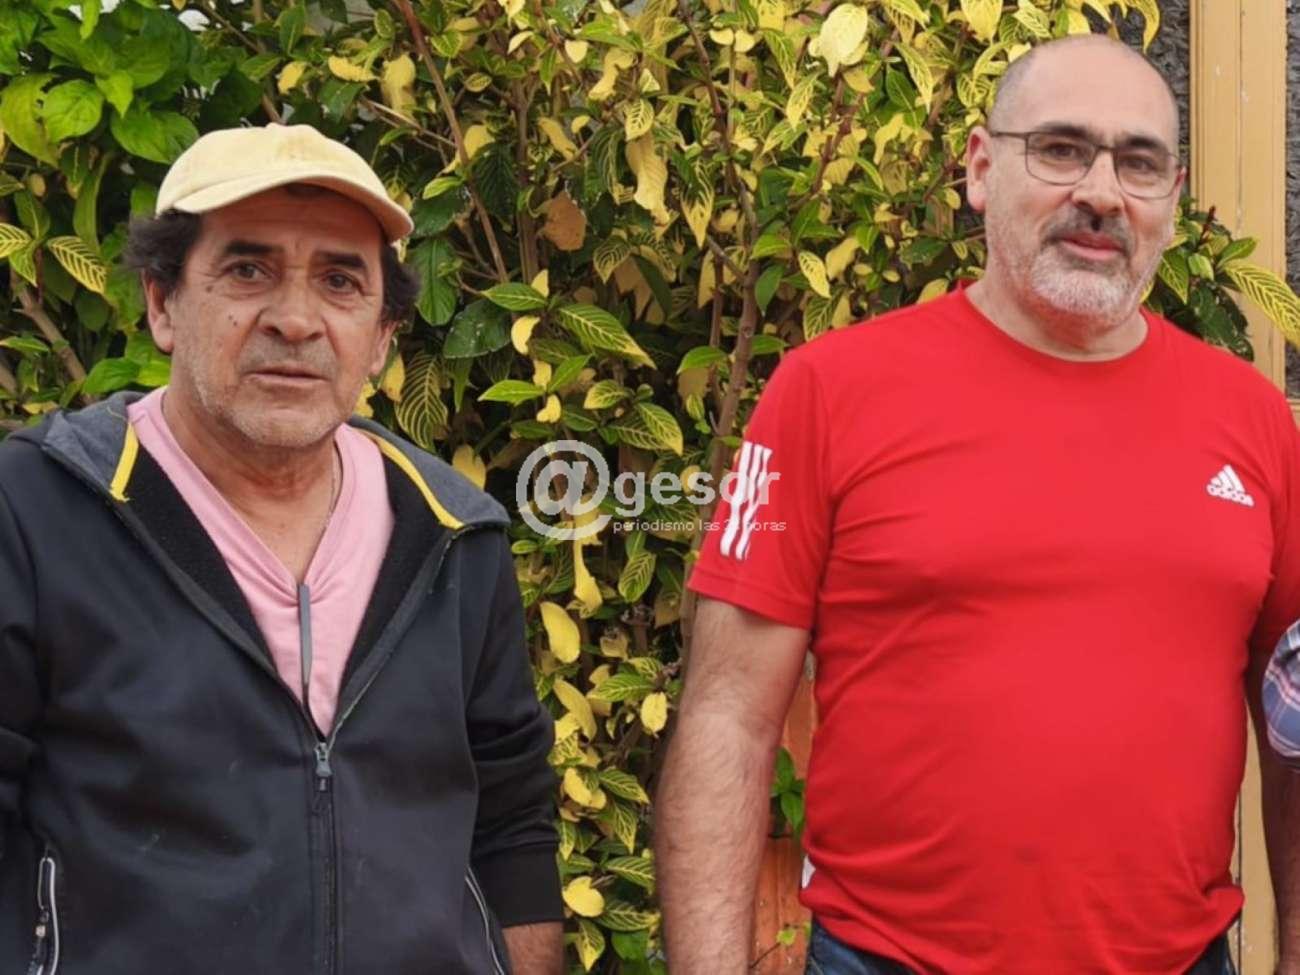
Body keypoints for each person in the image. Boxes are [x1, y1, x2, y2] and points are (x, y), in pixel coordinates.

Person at [656, 35, 1300, 975]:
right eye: (1061, 149)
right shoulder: (828, 392)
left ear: (1171, 195)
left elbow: (1294, 732)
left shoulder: (1254, 420)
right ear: (980, 168)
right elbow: (727, 718)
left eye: (1138, 163)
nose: (1102, 193)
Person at [0, 124, 562, 974]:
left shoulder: (454, 533)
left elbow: (512, 822)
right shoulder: (36, 510)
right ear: (162, 303)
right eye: (247, 269)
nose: (296, 320)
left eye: (340, 281)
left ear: (381, 334)